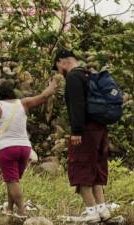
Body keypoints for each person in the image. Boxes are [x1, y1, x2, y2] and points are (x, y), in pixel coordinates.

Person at [0, 80, 58, 218]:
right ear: (12, 93)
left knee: (12, 180)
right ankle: (9, 208)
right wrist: (51, 87)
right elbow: (44, 96)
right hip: (25, 148)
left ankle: (21, 211)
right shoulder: (23, 102)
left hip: (8, 148)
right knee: (13, 180)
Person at [53, 49, 111, 223]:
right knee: (95, 167)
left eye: (57, 67)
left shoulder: (73, 77)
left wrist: (76, 130)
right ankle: (102, 209)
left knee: (80, 167)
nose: (59, 72)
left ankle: (91, 211)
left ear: (63, 61)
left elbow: (77, 104)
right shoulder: (89, 75)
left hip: (85, 130)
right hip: (99, 128)